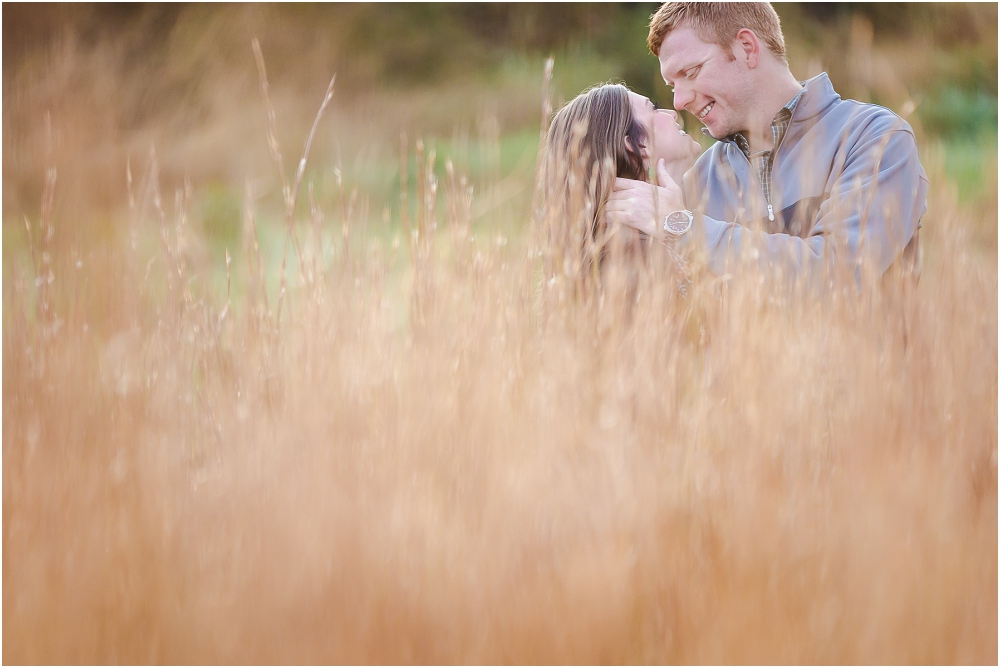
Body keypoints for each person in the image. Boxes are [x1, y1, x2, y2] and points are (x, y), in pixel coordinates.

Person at [605, 2, 928, 286]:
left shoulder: (873, 137)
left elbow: (838, 276)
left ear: (747, 47)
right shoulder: (699, 180)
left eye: (690, 72)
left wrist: (684, 229)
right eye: (672, 84)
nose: (678, 101)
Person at [538, 82, 701, 288]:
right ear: (639, 145)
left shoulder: (622, 248)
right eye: (654, 108)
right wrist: (682, 226)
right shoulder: (636, 257)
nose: (673, 113)